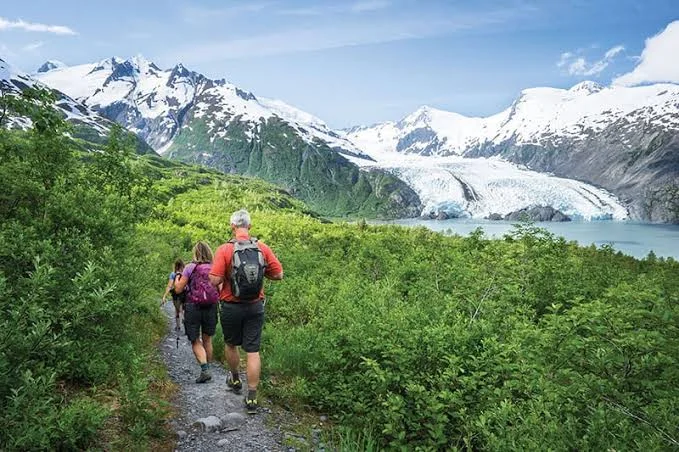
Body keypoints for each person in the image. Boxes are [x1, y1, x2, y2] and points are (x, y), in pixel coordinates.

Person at [209, 209, 283, 414]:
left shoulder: (224, 250)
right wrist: (260, 274)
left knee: (231, 344)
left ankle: (234, 378)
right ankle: (251, 397)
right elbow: (279, 275)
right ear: (249, 226)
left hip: (231, 306)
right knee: (253, 351)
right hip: (255, 306)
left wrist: (225, 277)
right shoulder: (262, 248)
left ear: (232, 227)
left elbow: (214, 280)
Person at [174, 241, 220, 383]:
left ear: (195, 253)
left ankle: (204, 369)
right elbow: (220, 289)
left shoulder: (189, 267)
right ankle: (208, 368)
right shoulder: (215, 267)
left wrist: (177, 279)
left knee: (195, 340)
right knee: (207, 339)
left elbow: (178, 289)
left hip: (193, 306)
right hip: (211, 307)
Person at [162, 259, 185, 331]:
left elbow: (169, 286)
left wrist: (164, 296)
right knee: (183, 309)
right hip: (184, 293)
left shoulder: (173, 274)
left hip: (176, 294)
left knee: (177, 310)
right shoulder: (185, 273)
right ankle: (186, 323)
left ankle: (178, 326)